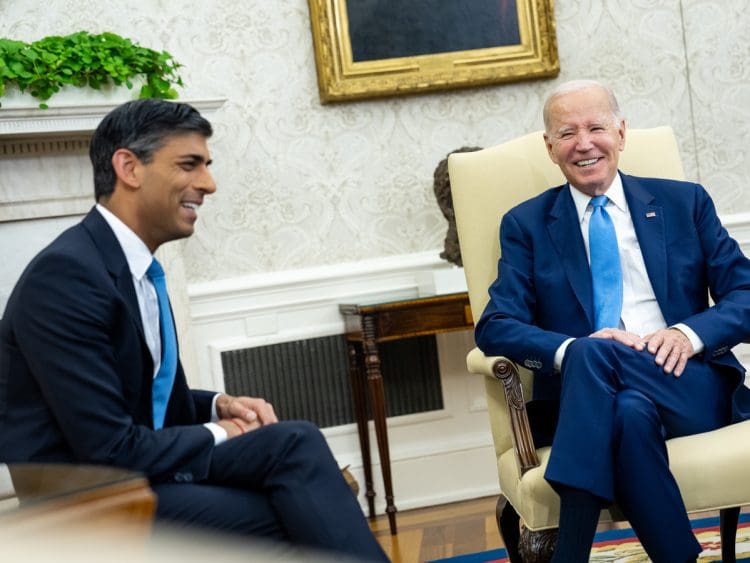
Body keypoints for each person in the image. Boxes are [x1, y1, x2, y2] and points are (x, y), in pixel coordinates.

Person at [0, 98, 388, 562]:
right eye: (190, 164)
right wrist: (221, 430)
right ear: (128, 167)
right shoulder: (67, 275)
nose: (209, 183)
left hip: (136, 473)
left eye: (206, 165)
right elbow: (109, 448)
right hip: (87, 499)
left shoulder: (134, 268)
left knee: (296, 442)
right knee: (304, 506)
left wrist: (216, 404)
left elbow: (150, 403)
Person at [474, 79, 750, 562]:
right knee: (625, 407)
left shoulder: (685, 203)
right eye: (566, 133)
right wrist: (570, 351)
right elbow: (495, 325)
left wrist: (688, 335)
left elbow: (745, 293)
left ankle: (571, 552)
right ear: (550, 147)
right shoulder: (527, 225)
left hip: (689, 384)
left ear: (621, 134)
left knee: (596, 357)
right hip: (594, 399)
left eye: (596, 127)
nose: (584, 143)